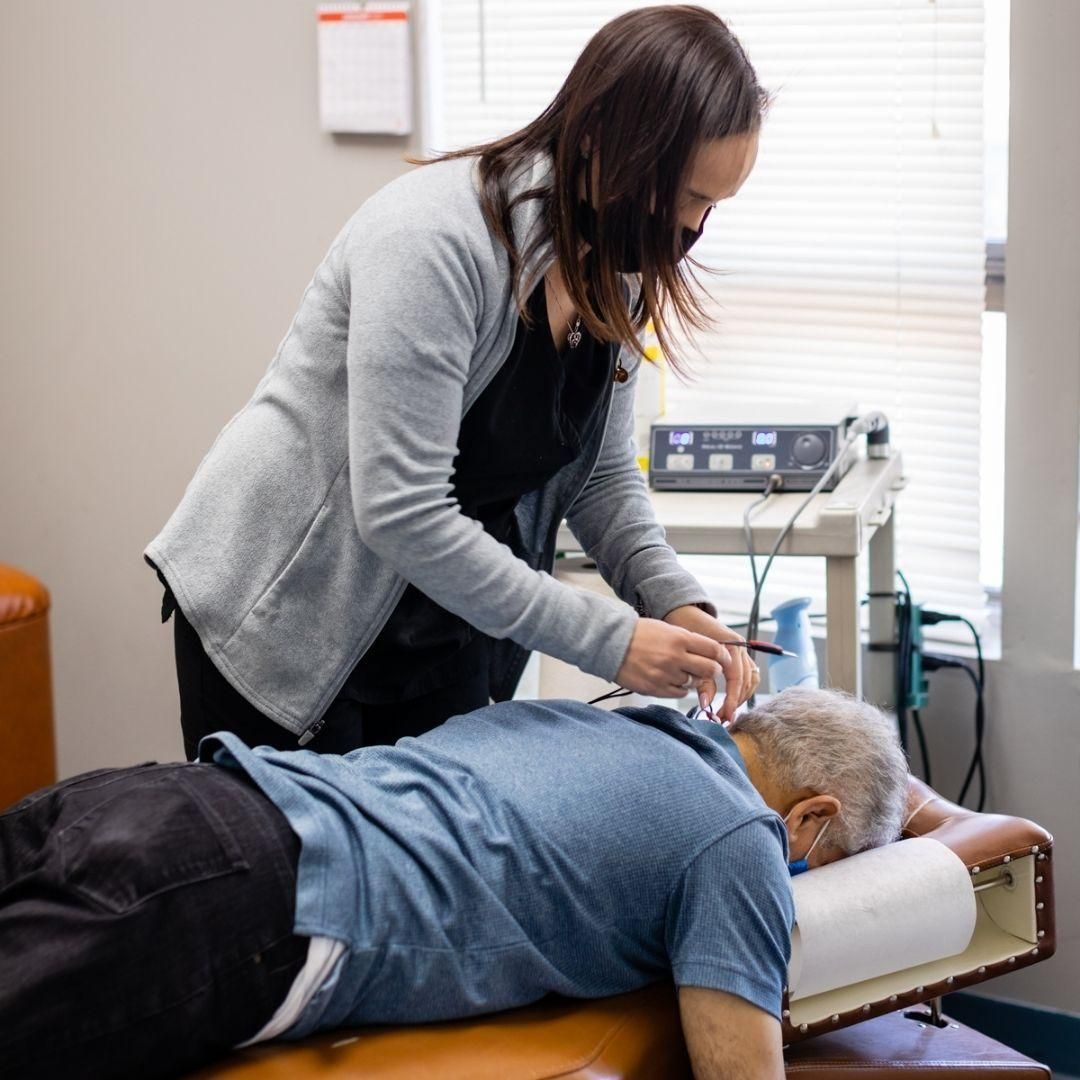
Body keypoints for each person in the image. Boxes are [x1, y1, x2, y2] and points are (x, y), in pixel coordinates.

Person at [143, 5, 769, 757]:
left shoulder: (618, 266)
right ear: (605, 142)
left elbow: (601, 476)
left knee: (447, 864)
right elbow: (402, 511)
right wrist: (612, 640)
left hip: (437, 617)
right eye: (690, 196)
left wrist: (672, 600)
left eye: (715, 205)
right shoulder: (433, 242)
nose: (695, 228)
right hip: (289, 616)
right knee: (307, 870)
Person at [0, 687, 909, 1079]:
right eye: (820, 865)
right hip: (239, 901)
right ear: (812, 817)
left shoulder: (593, 721)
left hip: (167, 794)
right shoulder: (740, 837)